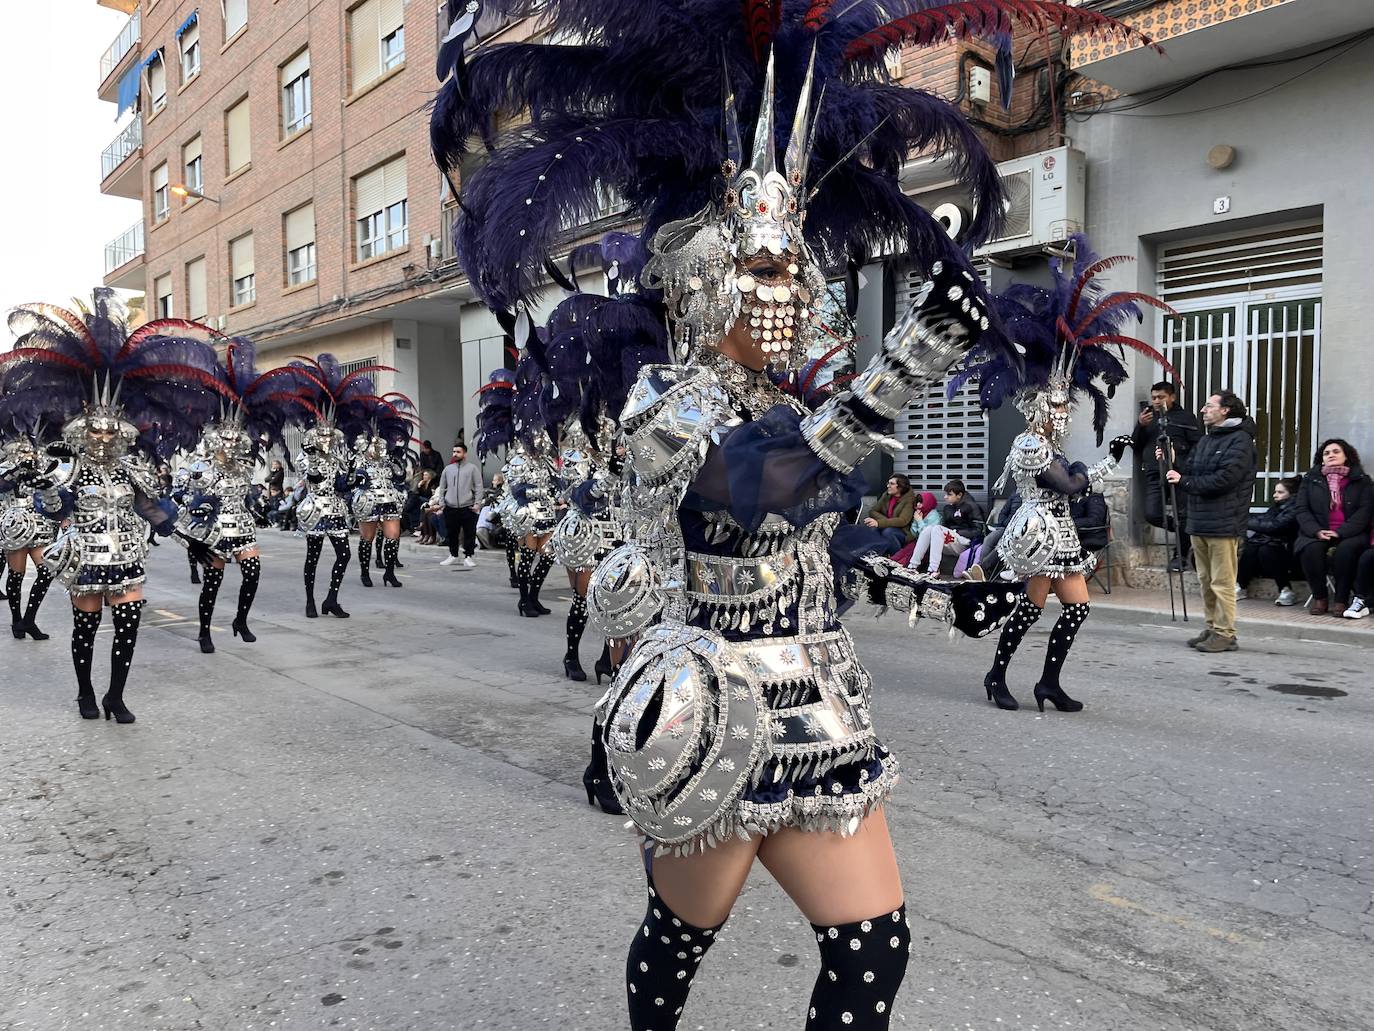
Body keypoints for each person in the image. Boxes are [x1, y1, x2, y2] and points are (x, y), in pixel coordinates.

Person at [432, 5, 1066, 1022]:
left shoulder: (790, 401)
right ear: (701, 278)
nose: (796, 288)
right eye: (769, 266)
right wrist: (900, 371)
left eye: (796, 267)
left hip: (820, 709)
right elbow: (755, 491)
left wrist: (944, 584)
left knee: (873, 949)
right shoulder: (665, 404)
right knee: (681, 941)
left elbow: (822, 534)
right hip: (715, 713)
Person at [972, 235, 1172, 711]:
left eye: (1066, 405)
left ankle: (1048, 682)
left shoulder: (1051, 444)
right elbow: (1072, 486)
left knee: (1077, 608)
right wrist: (1111, 460)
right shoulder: (1027, 445)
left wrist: (1109, 456)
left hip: (1062, 536)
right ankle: (996, 676)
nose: (1063, 413)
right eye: (1056, 405)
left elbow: (1074, 483)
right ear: (1040, 406)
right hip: (1038, 534)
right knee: (1031, 609)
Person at [0, 290, 221, 722]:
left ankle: (115, 696)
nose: (102, 439)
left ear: (119, 432)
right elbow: (50, 510)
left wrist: (192, 541)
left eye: (109, 432)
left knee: (128, 628)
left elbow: (155, 512)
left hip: (128, 557)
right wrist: (42, 485)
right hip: (85, 557)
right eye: (94, 432)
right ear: (83, 432)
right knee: (86, 630)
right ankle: (85, 692)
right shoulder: (69, 470)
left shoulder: (130, 471)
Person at [173, 340, 314, 653]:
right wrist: (198, 493)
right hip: (213, 531)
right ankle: (204, 631)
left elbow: (247, 489)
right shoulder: (200, 462)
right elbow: (182, 487)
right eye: (227, 442)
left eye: (237, 442)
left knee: (252, 573)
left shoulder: (245, 462)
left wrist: (256, 506)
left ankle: (240, 619)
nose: (233, 447)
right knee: (213, 584)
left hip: (242, 525)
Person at [1164, 390, 1258, 650]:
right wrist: (1174, 462)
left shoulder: (1240, 441)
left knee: (1223, 582)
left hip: (1225, 522)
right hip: (1200, 520)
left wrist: (1185, 481)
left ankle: (1226, 633)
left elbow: (1225, 480)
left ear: (1225, 410)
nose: (1203, 411)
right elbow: (1191, 469)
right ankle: (1212, 627)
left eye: (1208, 406)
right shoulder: (1208, 440)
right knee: (1206, 581)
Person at [1291, 439, 1373, 615]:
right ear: (1321, 459)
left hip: (1351, 532)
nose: (1331, 455)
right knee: (1310, 549)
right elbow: (1302, 509)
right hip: (1317, 530)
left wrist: (1340, 532)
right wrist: (1316, 531)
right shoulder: (1310, 480)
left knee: (1346, 550)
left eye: (1336, 452)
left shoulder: (1362, 480)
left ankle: (1341, 600)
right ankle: (1320, 597)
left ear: (1346, 456)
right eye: (1326, 453)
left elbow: (1365, 511)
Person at [1131, 381, 1201, 570]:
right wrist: (1140, 426)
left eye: (1161, 397)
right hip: (1154, 472)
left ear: (1172, 397)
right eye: (1153, 397)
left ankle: (1180, 555)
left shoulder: (1185, 417)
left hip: (1179, 472)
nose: (1156, 401)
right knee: (1152, 514)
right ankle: (1186, 531)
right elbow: (1135, 446)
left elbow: (1197, 444)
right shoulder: (1147, 417)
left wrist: (1179, 455)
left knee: (1182, 514)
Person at [0, 432, 64, 640]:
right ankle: (16, 620)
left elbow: (55, 506)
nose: (28, 454)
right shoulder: (5, 469)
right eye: (23, 450)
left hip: (41, 528)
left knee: (47, 572)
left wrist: (47, 487)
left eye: (31, 450)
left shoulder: (46, 469)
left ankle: (29, 619)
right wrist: (15, 472)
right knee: (16, 576)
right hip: (15, 527)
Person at [350, 402, 418, 590]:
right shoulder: (358, 460)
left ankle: (389, 572)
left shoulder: (388, 459)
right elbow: (349, 480)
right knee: (368, 538)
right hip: (368, 501)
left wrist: (397, 465)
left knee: (393, 535)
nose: (379, 449)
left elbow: (400, 476)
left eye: (381, 445)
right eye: (375, 446)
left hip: (389, 499)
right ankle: (365, 572)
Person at [1237, 476, 1301, 606]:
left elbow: (1275, 526)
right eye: (1275, 492)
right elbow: (1265, 521)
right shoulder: (1276, 508)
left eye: (1280, 492)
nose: (1275, 495)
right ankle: (1241, 586)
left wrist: (1246, 522)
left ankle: (1285, 589)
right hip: (1272, 547)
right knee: (1252, 548)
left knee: (1266, 550)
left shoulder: (1295, 509)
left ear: (1292, 493)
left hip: (1289, 550)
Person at [905, 479, 983, 575]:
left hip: (965, 543)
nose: (945, 497)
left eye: (949, 494)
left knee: (936, 528)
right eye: (945, 494)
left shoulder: (971, 506)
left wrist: (957, 532)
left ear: (959, 495)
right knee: (930, 528)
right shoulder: (949, 507)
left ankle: (933, 569)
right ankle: (913, 566)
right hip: (951, 540)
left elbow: (979, 530)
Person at [437, 442, 482, 568]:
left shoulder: (472, 468)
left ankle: (468, 556)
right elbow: (442, 487)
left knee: (469, 533)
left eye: (458, 452)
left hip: (468, 506)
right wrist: (442, 503)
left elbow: (479, 487)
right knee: (452, 533)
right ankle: (453, 555)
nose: (455, 454)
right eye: (454, 452)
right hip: (450, 507)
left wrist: (477, 503)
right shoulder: (447, 469)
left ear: (464, 453)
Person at [863, 474, 916, 554]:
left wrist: (879, 523)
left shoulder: (909, 500)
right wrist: (884, 522)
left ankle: (898, 558)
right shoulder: (887, 495)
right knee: (873, 529)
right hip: (887, 526)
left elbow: (903, 520)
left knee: (888, 532)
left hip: (903, 532)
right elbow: (873, 511)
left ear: (901, 486)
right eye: (888, 483)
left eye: (892, 484)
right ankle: (875, 557)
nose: (888, 486)